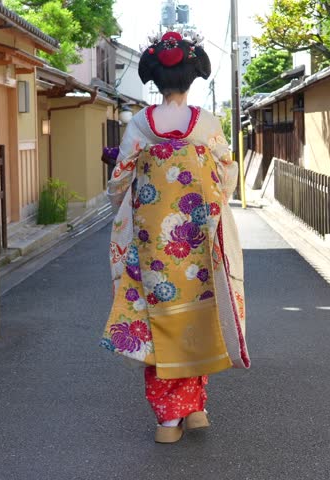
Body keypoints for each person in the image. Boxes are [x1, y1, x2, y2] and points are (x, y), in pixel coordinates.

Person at [100, 29, 250, 444]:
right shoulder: (207, 124)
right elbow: (226, 174)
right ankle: (197, 408)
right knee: (201, 312)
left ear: (155, 79)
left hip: (152, 241)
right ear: (192, 77)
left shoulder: (139, 126)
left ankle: (171, 420)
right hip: (197, 237)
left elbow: (120, 181)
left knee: (158, 320)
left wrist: (125, 211)